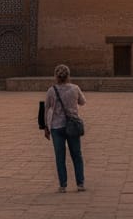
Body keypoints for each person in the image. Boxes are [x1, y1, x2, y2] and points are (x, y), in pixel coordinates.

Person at [43, 63, 87, 192]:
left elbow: (46, 109)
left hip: (56, 127)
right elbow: (83, 102)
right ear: (68, 75)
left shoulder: (52, 90)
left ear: (56, 76)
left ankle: (63, 185)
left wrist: (46, 127)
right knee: (76, 155)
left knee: (60, 157)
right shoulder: (75, 88)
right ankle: (80, 184)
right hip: (72, 126)